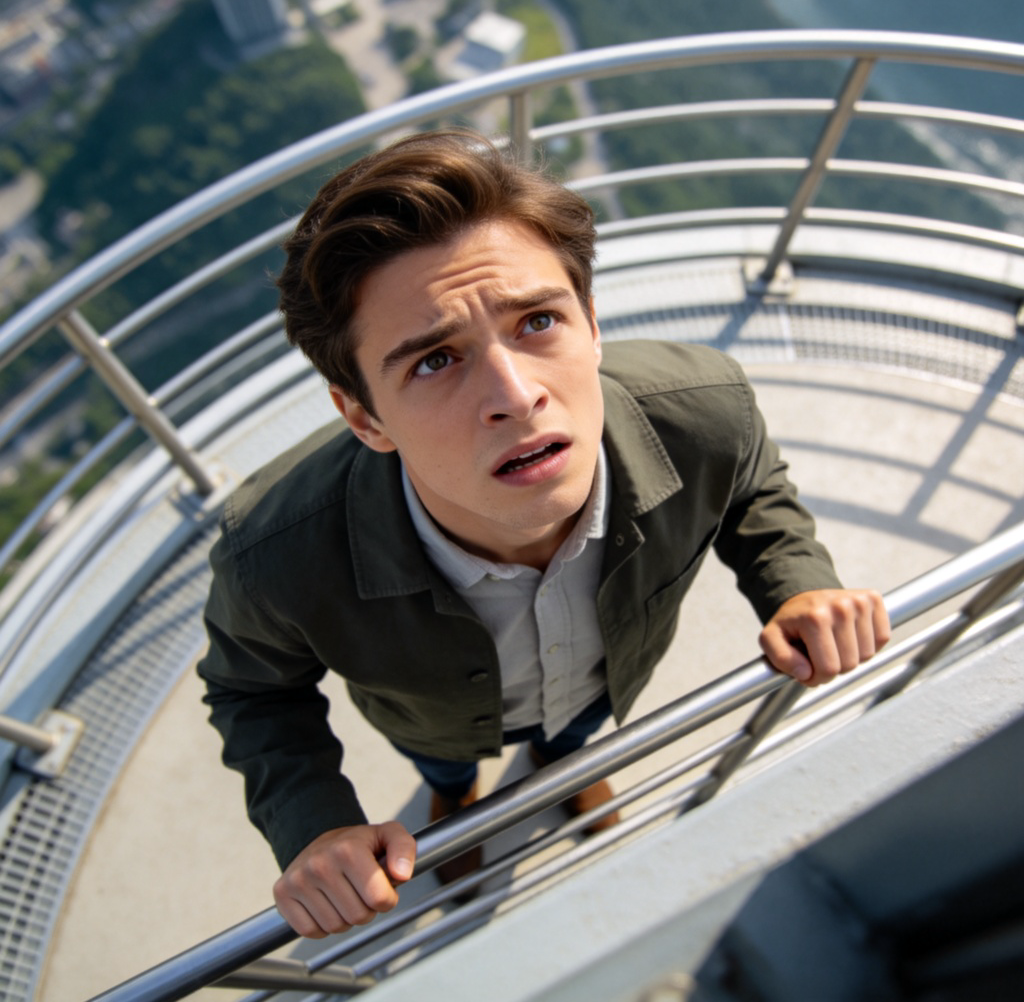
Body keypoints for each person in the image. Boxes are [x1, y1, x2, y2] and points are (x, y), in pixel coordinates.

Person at [198, 129, 890, 940]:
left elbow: (751, 489)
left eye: (537, 322)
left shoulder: (708, 411)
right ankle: (455, 798)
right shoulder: (274, 555)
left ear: (592, 325)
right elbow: (253, 689)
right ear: (362, 415)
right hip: (437, 720)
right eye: (433, 362)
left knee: (576, 730)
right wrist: (314, 823)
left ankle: (564, 768)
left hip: (602, 680)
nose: (516, 396)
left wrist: (797, 582)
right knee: (446, 763)